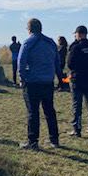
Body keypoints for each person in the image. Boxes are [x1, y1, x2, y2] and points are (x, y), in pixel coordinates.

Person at [18, 18, 62, 150]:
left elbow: (21, 62)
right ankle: (54, 140)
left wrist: (22, 78)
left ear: (29, 29)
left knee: (33, 112)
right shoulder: (50, 42)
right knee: (50, 111)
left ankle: (33, 141)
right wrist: (59, 78)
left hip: (32, 82)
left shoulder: (28, 42)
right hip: (48, 82)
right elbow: (57, 62)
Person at [67, 26, 88, 137]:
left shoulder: (76, 47)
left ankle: (77, 129)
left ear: (78, 34)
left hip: (78, 79)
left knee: (77, 105)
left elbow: (70, 63)